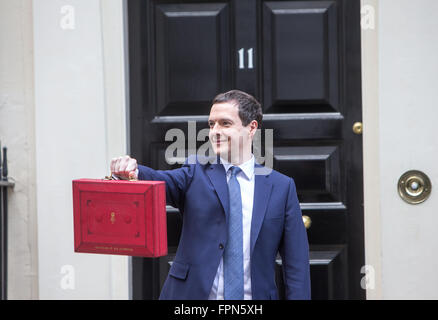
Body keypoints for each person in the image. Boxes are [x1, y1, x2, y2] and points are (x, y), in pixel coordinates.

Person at [111, 89, 311, 300]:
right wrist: (133, 172)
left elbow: (296, 263)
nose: (215, 131)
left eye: (225, 123)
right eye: (211, 124)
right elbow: (160, 181)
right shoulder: (194, 172)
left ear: (251, 128)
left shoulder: (281, 187)